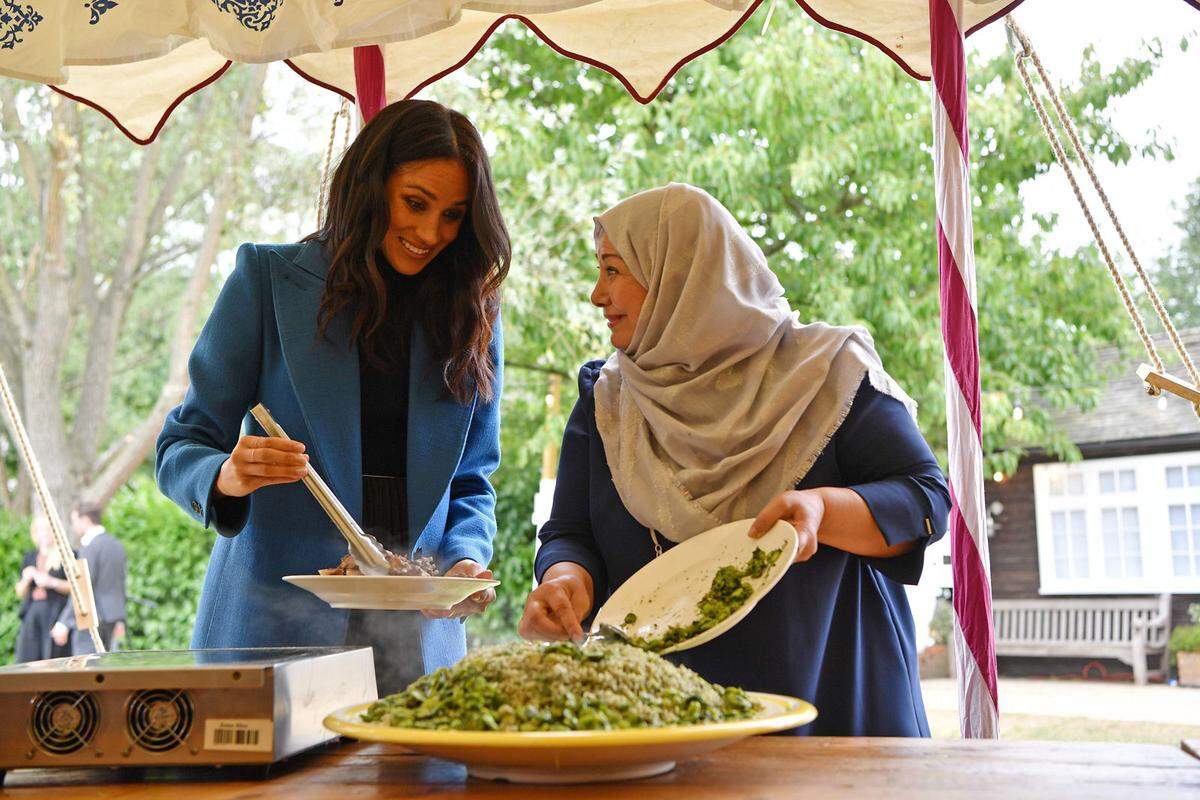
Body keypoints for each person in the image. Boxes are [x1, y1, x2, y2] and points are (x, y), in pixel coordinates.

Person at [519, 183, 951, 736]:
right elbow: (570, 532)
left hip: (832, 704)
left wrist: (824, 509)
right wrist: (566, 579)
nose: (596, 295)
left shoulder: (827, 374)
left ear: (683, 276)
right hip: (664, 722)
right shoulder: (608, 402)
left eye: (612, 270)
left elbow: (926, 501)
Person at [156, 100, 508, 694]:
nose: (430, 234)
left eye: (453, 216)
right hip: (272, 634)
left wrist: (464, 560)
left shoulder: (471, 313)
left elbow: (472, 481)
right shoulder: (267, 282)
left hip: (418, 642)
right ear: (371, 187)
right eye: (415, 203)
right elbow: (180, 447)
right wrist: (227, 475)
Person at [52, 502, 127, 655]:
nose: (74, 526)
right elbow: (119, 584)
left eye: (75, 521)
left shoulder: (90, 546)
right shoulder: (116, 545)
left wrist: (63, 622)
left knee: (86, 668)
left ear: (85, 519)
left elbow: (82, 587)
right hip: (113, 616)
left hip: (92, 619)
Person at [14, 515, 71, 662]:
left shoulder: (66, 555)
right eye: (40, 530)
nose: (44, 534)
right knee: (26, 655)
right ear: (35, 533)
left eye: (47, 530)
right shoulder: (30, 556)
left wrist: (51, 582)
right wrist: (26, 579)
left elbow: (74, 588)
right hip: (32, 611)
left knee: (50, 656)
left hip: (54, 612)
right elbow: (20, 592)